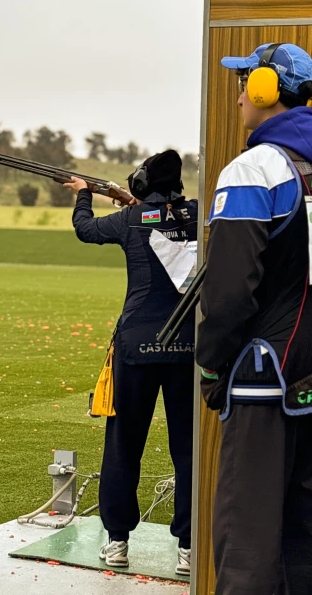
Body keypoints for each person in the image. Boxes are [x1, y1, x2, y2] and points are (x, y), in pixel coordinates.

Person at [195, 43, 312, 595]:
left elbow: (227, 293)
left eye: (245, 83)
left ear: (266, 90)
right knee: (308, 532)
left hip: (261, 378)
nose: (239, 96)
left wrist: (211, 368)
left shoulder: (252, 170)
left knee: (248, 539)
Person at [65, 150, 198, 576]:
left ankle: (118, 542)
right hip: (188, 347)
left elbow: (85, 229)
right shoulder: (197, 215)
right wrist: (135, 205)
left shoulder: (130, 220)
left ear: (140, 184)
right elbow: (167, 219)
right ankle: (188, 549)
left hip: (136, 347)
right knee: (188, 450)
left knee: (124, 447)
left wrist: (83, 194)